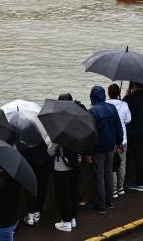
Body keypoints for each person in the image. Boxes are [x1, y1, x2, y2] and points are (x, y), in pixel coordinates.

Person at [47, 93, 80, 232]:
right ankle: (72, 218)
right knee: (73, 192)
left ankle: (65, 222)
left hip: (62, 166)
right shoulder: (77, 121)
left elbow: (50, 151)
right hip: (75, 163)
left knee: (63, 194)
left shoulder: (59, 124)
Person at [87, 85, 123, 212]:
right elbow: (119, 127)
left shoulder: (92, 112)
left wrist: (89, 152)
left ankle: (101, 205)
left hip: (98, 149)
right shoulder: (112, 108)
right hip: (111, 147)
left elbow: (90, 134)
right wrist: (118, 143)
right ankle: (109, 201)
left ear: (92, 97)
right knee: (108, 174)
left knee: (99, 176)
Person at [106, 84, 132, 198]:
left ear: (108, 93)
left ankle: (113, 190)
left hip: (111, 139)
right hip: (123, 140)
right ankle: (120, 188)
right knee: (121, 163)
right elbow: (128, 119)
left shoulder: (105, 104)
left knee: (111, 164)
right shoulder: (124, 104)